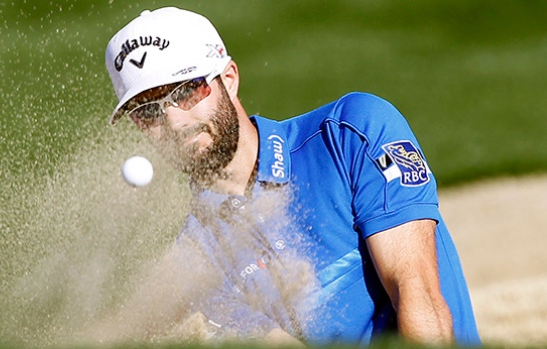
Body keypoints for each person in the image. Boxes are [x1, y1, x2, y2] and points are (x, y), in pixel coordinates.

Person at [104, 6, 481, 347]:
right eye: (147, 111)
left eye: (186, 91)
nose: (172, 121)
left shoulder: (351, 132)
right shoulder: (194, 259)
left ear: (229, 78)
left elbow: (417, 293)